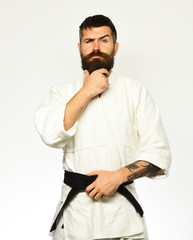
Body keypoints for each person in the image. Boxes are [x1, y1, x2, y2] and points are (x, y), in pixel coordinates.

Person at [34, 15, 171, 240]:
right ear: (79, 48)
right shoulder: (61, 93)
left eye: (104, 40)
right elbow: (50, 135)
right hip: (75, 219)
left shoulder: (135, 92)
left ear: (115, 47)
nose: (96, 47)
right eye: (89, 41)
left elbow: (159, 154)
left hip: (123, 219)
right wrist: (87, 90)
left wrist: (118, 176)